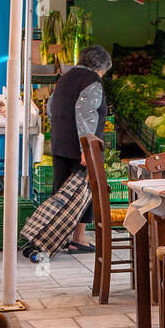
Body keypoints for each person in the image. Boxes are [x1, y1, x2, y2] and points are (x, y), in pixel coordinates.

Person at [46, 44, 112, 253]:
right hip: (80, 147)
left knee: (62, 191)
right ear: (99, 66)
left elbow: (50, 107)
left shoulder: (64, 78)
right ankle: (78, 238)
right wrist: (87, 147)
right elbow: (86, 113)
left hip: (60, 143)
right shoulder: (91, 81)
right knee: (83, 192)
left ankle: (57, 237)